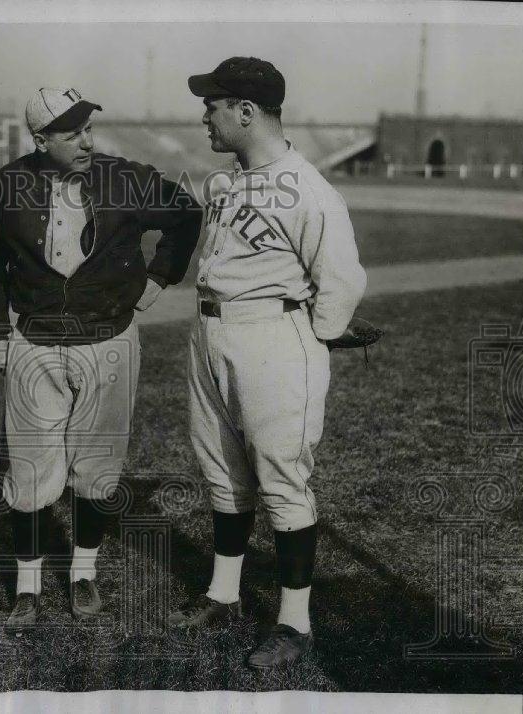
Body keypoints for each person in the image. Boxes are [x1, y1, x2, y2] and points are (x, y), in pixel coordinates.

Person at [0, 87, 201, 631]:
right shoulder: (6, 186)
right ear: (41, 139)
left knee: (97, 469)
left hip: (109, 340)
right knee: (28, 470)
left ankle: (83, 572)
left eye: (88, 130)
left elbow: (186, 215)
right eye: (72, 134)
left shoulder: (126, 177)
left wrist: (159, 277)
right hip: (35, 342)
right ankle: (27, 585)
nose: (86, 142)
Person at [170, 57, 367, 669]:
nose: (206, 114)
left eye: (215, 103)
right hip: (211, 334)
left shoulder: (309, 188)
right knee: (223, 472)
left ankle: (293, 622)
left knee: (282, 479)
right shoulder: (227, 181)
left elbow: (341, 279)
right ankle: (224, 593)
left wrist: (318, 336)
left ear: (246, 111)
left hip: (273, 338)